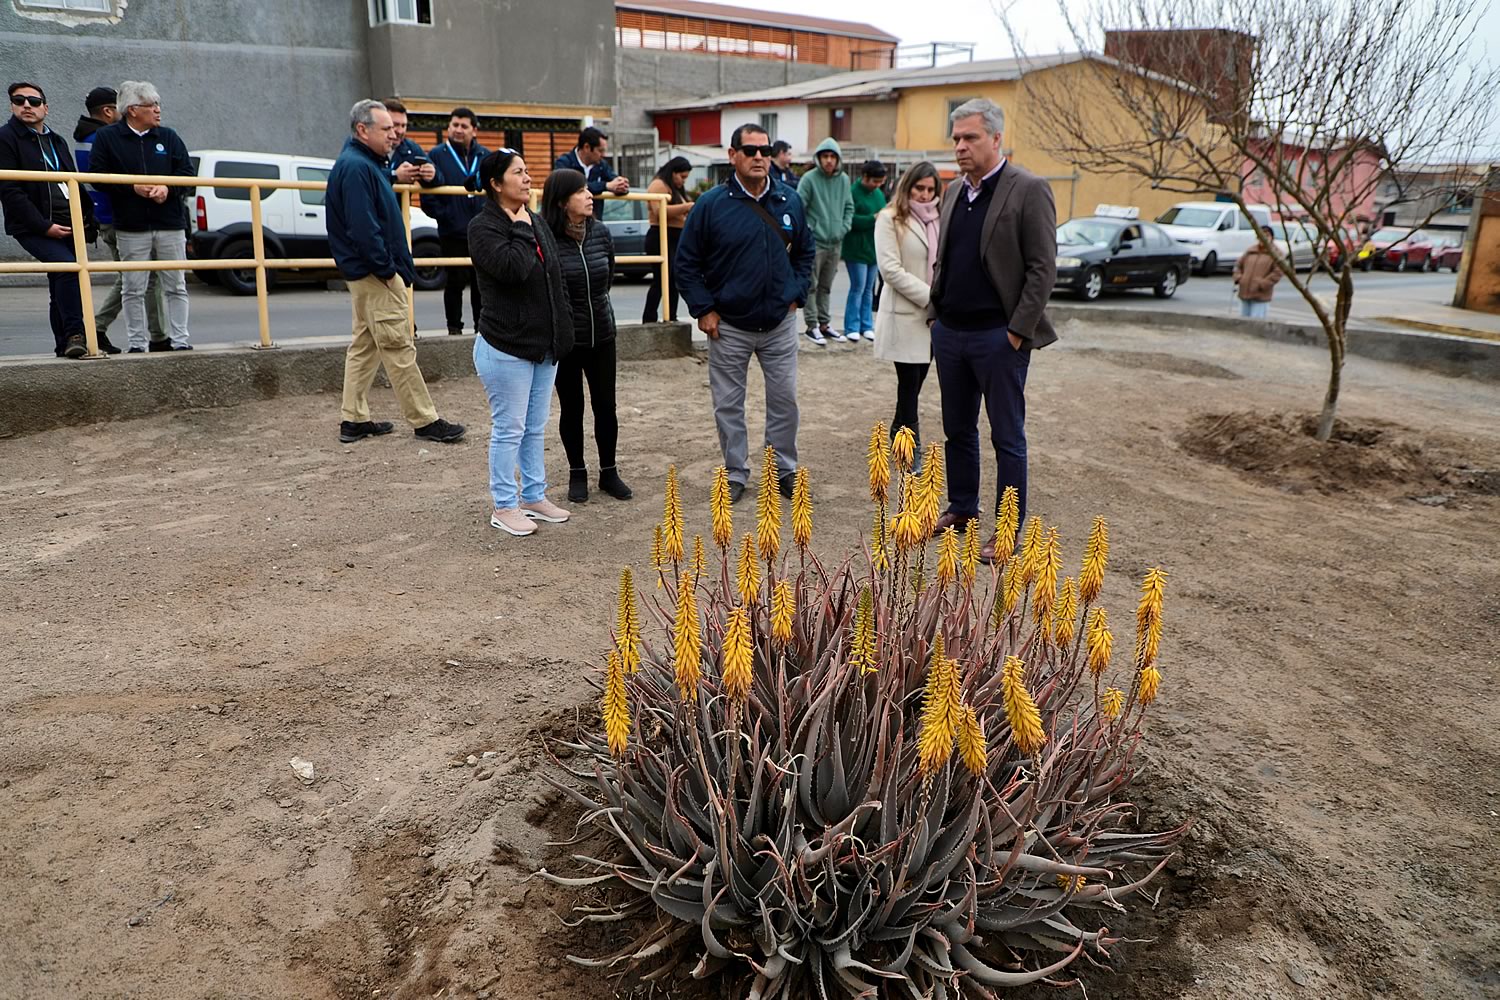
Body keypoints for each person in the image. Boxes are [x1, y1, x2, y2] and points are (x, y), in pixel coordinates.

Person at [926, 98, 1057, 563]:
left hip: (998, 338)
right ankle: (963, 507)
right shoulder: (952, 192)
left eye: (970, 138)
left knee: (1007, 437)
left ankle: (1006, 532)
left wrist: (1017, 332)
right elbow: (944, 259)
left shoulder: (1028, 189)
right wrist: (935, 317)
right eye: (956, 139)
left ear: (996, 138)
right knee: (957, 430)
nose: (960, 146)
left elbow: (1042, 269)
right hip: (951, 334)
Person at [675, 123, 815, 503]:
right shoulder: (711, 205)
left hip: (779, 324)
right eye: (750, 150)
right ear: (732, 155)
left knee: (784, 400)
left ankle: (781, 470)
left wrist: (796, 294)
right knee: (728, 406)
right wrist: (704, 309)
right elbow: (686, 263)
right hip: (729, 326)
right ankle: (736, 472)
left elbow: (805, 252)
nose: (758, 157)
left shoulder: (789, 200)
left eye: (764, 151)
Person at [327, 99, 465, 447]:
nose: (394, 135)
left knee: (365, 345)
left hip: (367, 274)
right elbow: (364, 228)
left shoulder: (362, 164)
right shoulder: (357, 167)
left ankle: (353, 419)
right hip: (375, 275)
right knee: (398, 345)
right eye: (386, 128)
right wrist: (387, 270)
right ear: (363, 130)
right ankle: (425, 420)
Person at [467, 148, 575, 536]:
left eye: (528, 171)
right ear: (496, 183)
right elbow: (513, 269)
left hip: (543, 346)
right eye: (518, 172)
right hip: (506, 346)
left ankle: (533, 496)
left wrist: (564, 330)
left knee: (534, 427)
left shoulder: (535, 219)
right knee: (509, 428)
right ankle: (504, 505)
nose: (528, 178)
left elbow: (555, 278)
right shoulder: (483, 227)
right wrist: (521, 229)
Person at [541, 169, 633, 504]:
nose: (589, 195)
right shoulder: (546, 238)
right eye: (580, 191)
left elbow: (606, 277)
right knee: (572, 408)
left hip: (603, 334)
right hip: (567, 340)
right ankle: (577, 472)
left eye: (587, 189)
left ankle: (609, 472)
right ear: (562, 202)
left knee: (606, 406)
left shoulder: (601, 232)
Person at [86, 81, 194, 352]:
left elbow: (187, 173)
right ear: (132, 110)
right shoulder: (107, 138)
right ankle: (137, 344)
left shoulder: (169, 136)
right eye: (151, 105)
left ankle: (181, 342)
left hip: (170, 224)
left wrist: (167, 188)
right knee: (133, 288)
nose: (158, 110)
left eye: (158, 104)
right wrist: (131, 187)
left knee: (176, 285)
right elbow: (97, 177)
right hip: (131, 226)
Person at [0, 81, 98, 359]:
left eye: (33, 101)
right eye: (19, 100)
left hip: (69, 223)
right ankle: (76, 334)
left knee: (63, 279)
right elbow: (10, 191)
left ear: (45, 107)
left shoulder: (56, 140)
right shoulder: (6, 138)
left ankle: (65, 344)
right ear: (12, 106)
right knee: (67, 269)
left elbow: (73, 182)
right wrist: (44, 226)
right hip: (34, 226)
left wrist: (87, 219)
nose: (26, 106)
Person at [74, 85, 165, 354]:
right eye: (121, 107)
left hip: (106, 217)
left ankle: (156, 334)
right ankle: (96, 328)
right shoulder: (104, 138)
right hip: (119, 219)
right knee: (133, 278)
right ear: (108, 111)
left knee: (137, 277)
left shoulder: (85, 137)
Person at [873, 161, 941, 455]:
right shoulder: (890, 218)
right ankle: (909, 446)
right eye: (919, 188)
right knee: (909, 383)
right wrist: (932, 297)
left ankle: (897, 427)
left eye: (930, 189)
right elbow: (890, 270)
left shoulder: (938, 219)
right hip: (905, 314)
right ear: (908, 186)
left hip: (933, 318)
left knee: (918, 381)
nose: (925, 195)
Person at [426, 107, 488, 336]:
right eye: (454, 125)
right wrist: (448, 217)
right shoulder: (436, 155)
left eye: (464, 126)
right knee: (454, 283)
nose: (458, 130)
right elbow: (428, 197)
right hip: (452, 232)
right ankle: (454, 328)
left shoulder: (485, 155)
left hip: (481, 232)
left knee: (481, 283)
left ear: (474, 130)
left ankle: (482, 330)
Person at [795, 137, 853, 345]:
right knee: (811, 285)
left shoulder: (844, 180)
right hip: (815, 242)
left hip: (835, 242)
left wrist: (843, 228)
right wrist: (809, 231)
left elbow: (849, 207)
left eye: (832, 156)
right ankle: (811, 325)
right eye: (825, 156)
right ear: (818, 158)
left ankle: (824, 324)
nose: (829, 160)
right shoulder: (809, 179)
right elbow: (798, 208)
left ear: (838, 159)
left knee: (826, 286)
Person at [640, 155, 693, 324]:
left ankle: (671, 316)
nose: (683, 181)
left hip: (675, 237)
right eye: (682, 176)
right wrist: (686, 207)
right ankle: (649, 318)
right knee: (660, 279)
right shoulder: (659, 185)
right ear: (673, 172)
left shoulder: (674, 188)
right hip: (661, 235)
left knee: (673, 280)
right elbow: (659, 211)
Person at [841, 159, 888, 343]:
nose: (877, 185)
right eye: (875, 181)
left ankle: (866, 325)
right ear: (865, 177)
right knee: (857, 287)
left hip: (873, 248)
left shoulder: (878, 194)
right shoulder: (852, 192)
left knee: (869, 289)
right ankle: (851, 326)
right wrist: (872, 218)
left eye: (880, 182)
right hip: (856, 249)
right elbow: (849, 219)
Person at [553, 126, 629, 218]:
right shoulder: (564, 163)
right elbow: (570, 187)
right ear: (587, 147)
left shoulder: (602, 165)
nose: (604, 155)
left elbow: (614, 183)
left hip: (594, 221)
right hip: (567, 221)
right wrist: (605, 186)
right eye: (600, 150)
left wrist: (622, 185)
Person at [1233, 228, 1281, 319]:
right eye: (1260, 236)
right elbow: (1238, 265)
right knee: (1243, 322)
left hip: (1260, 296)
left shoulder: (1276, 254)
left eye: (1267, 236)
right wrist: (1239, 278)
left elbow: (1277, 273)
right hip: (1244, 293)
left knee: (1256, 322)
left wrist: (1262, 283)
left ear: (1272, 238)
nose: (1263, 238)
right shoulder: (1250, 251)